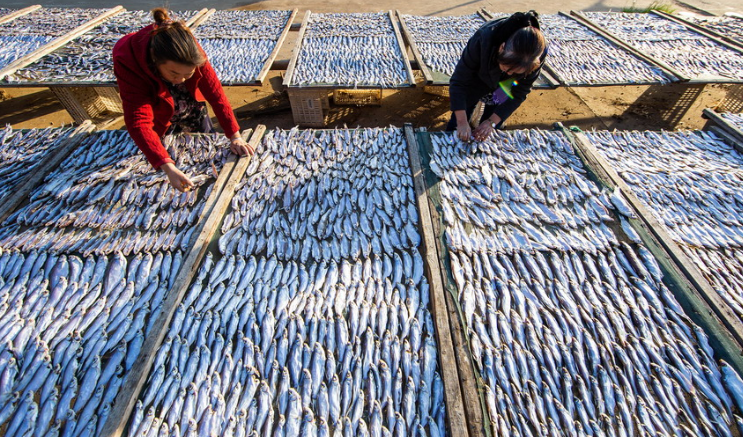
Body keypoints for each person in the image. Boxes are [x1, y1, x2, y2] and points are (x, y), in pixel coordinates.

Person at [113, 8, 253, 192]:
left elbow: (215, 94)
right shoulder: (128, 60)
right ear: (155, 59)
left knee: (204, 141)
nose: (180, 80)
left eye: (188, 74)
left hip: (188, 103)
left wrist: (235, 136)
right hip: (157, 105)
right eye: (174, 74)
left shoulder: (190, 50)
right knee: (165, 146)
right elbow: (139, 120)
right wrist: (167, 166)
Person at [448, 11, 548, 142]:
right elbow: (459, 81)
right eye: (507, 68)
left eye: (516, 72)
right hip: (478, 78)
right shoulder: (483, 39)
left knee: (492, 117)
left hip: (506, 86)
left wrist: (491, 122)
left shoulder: (535, 55)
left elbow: (519, 92)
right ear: (501, 48)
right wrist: (461, 121)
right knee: (463, 111)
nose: (510, 73)